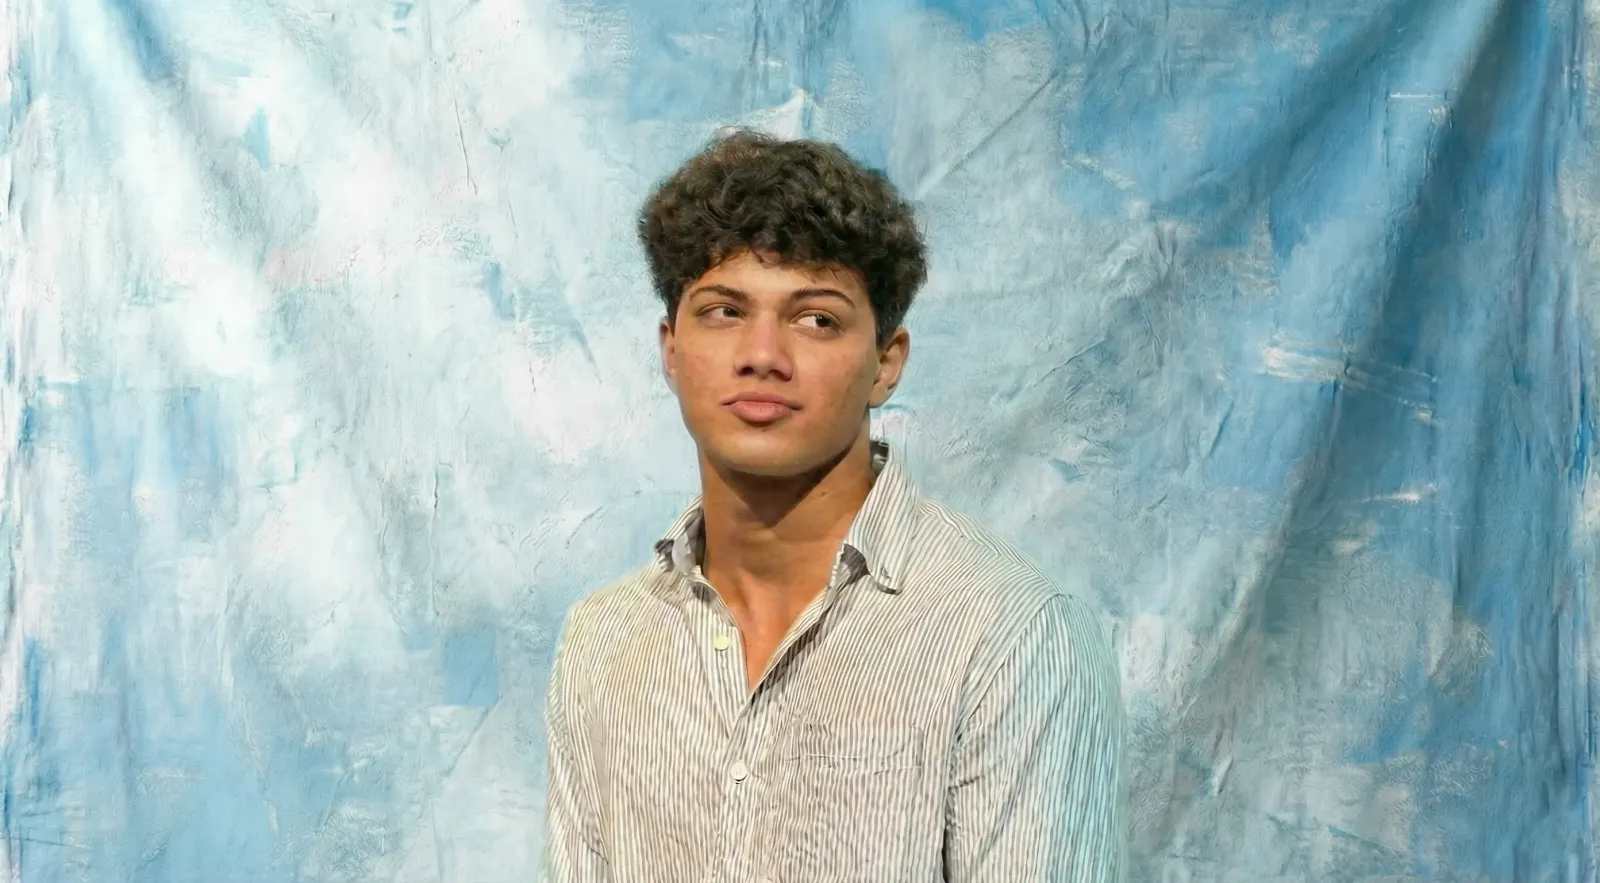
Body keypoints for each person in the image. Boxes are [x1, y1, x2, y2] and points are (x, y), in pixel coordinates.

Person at [540, 129, 1126, 882]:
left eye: (816, 318)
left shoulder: (1012, 641)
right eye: (722, 310)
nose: (763, 354)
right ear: (671, 348)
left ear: (887, 362)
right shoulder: (603, 643)